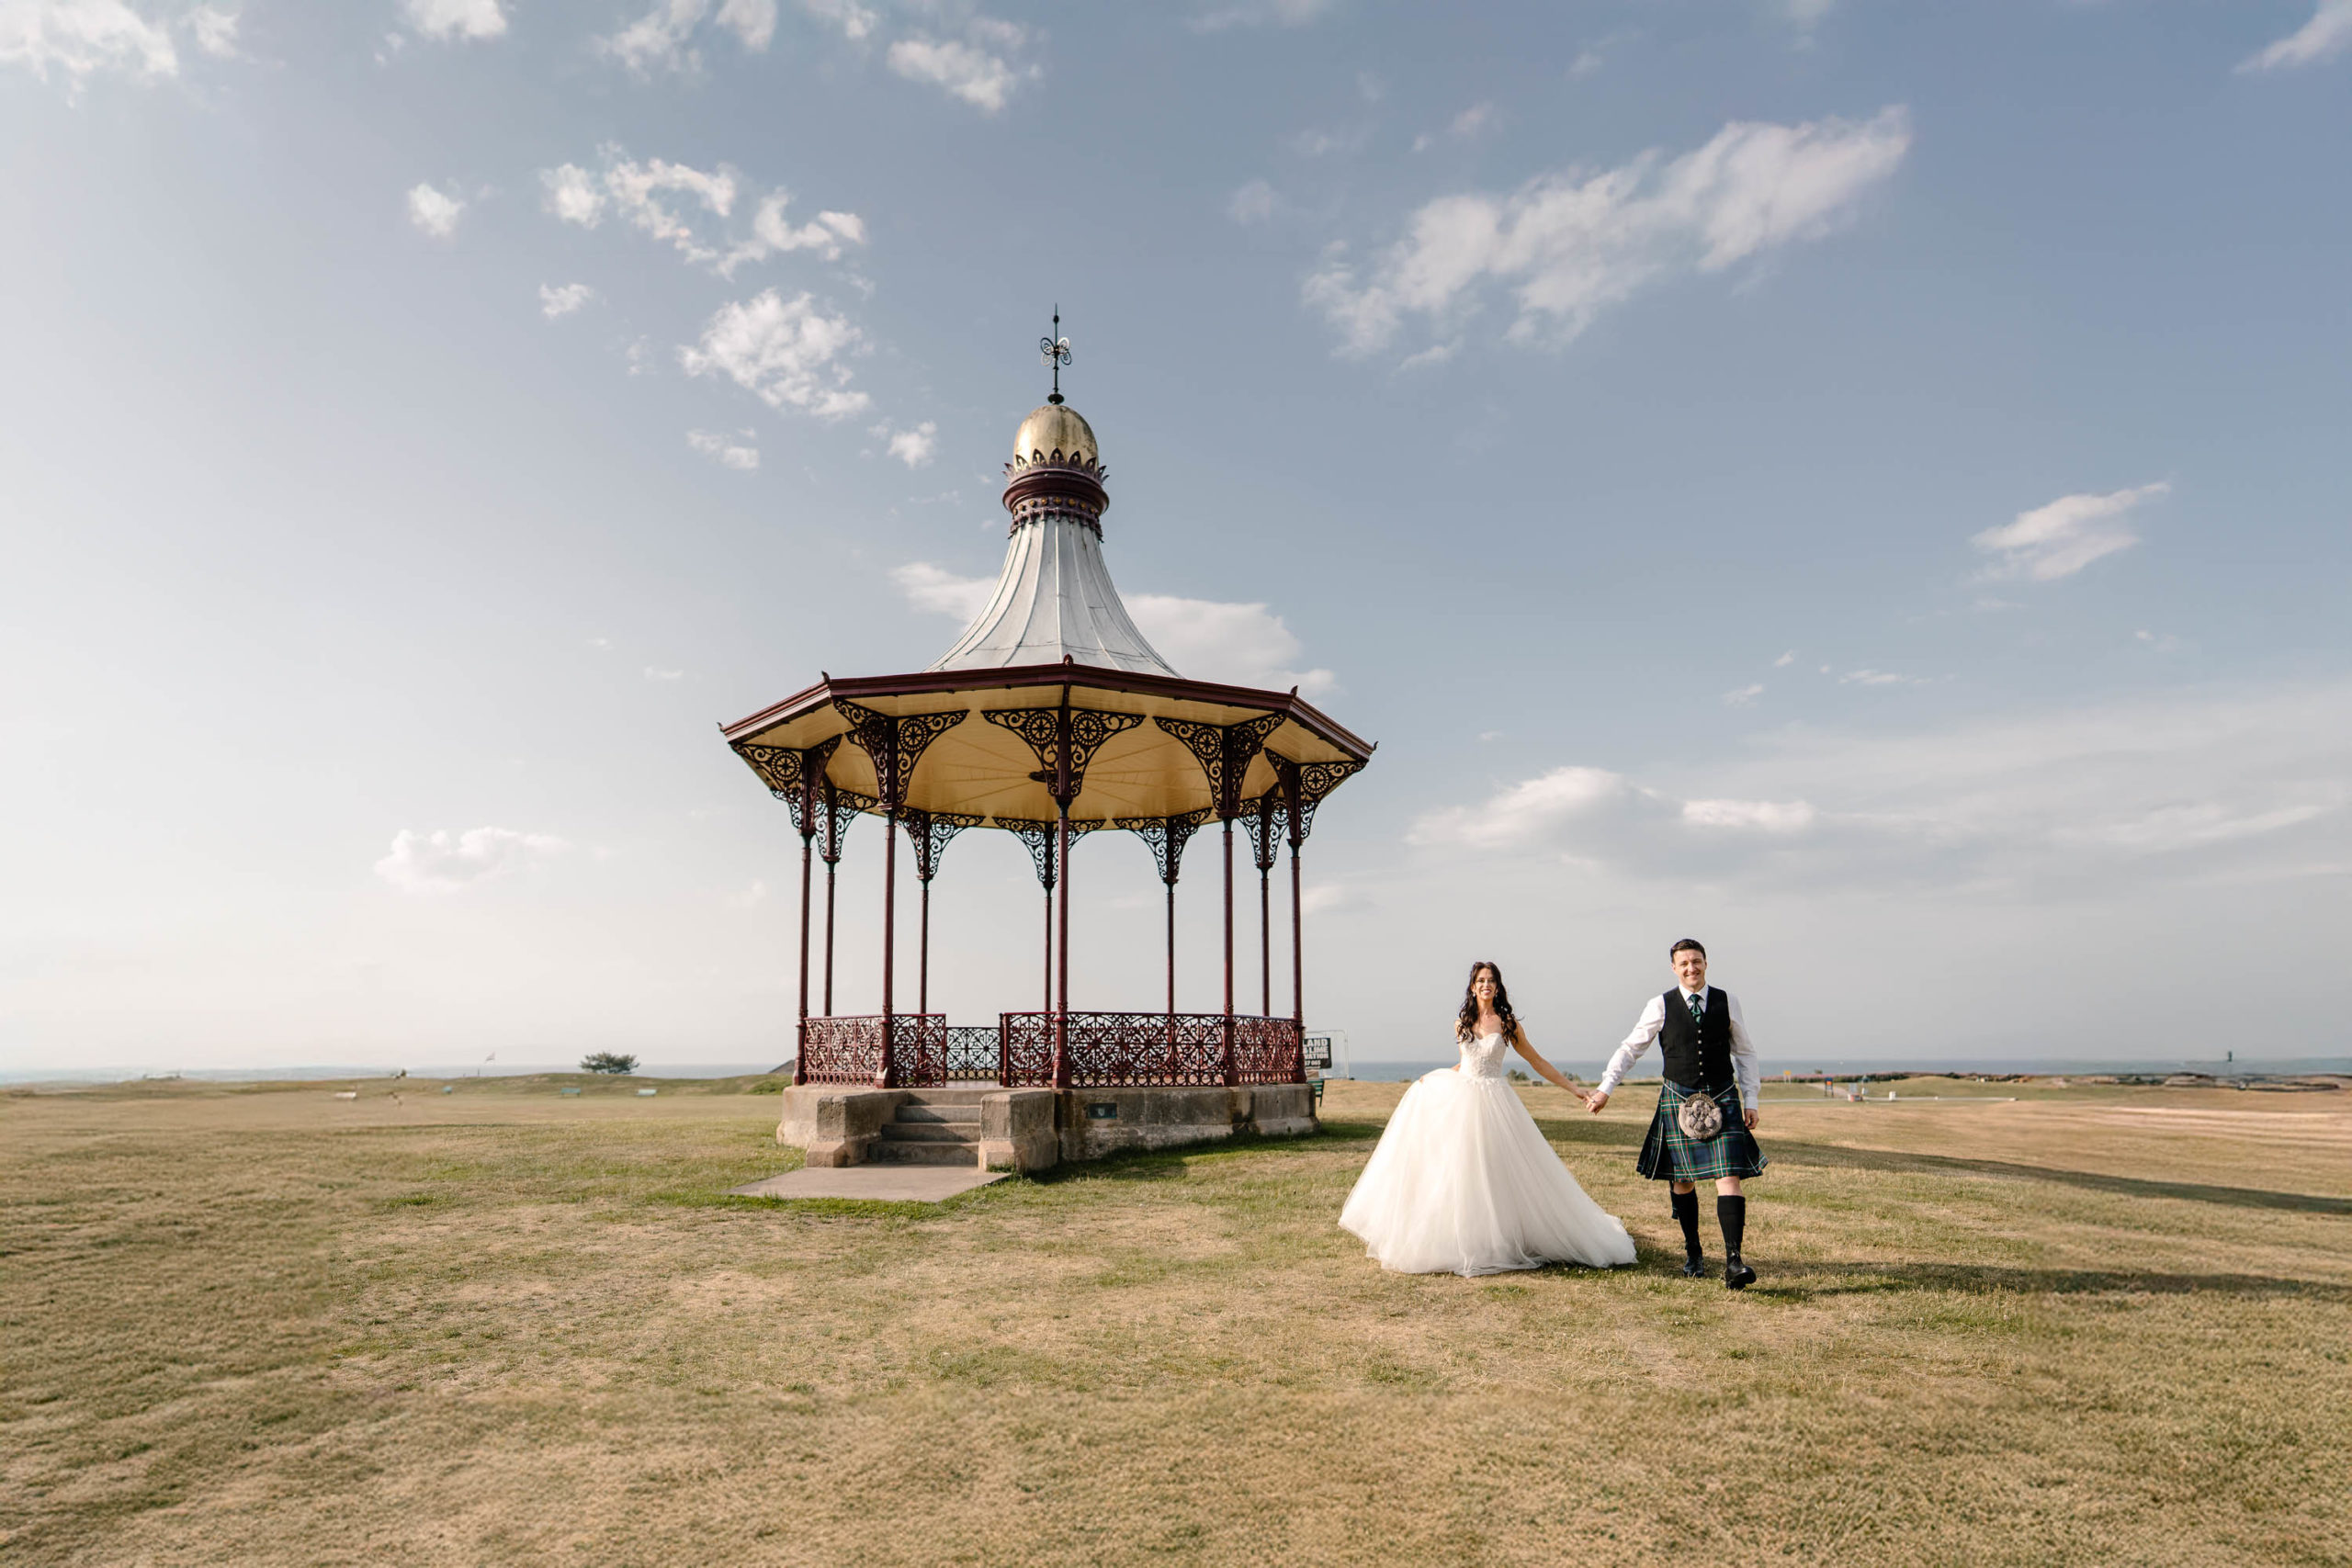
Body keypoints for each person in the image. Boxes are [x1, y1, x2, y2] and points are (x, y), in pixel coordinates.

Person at [1339, 962, 1636, 1276]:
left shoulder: (1507, 1023)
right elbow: (1465, 1063)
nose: (1486, 985)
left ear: (1497, 987)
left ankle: (1502, 1237)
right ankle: (1461, 1238)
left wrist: (1574, 1089)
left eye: (1491, 980)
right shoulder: (1461, 1023)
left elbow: (1535, 1061)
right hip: (1462, 1101)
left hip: (1495, 1102)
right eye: (1480, 980)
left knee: (1497, 1169)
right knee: (1458, 1170)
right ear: (1472, 987)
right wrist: (1432, 1079)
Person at [1586, 939, 1768, 1289]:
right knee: (1682, 1181)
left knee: (1729, 1176)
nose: (1691, 968)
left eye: (1696, 962)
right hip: (1678, 1097)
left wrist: (1752, 1099)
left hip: (1723, 1096)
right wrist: (1606, 1088)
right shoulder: (1660, 1005)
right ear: (1674, 967)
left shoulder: (1727, 1001)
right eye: (1684, 963)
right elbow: (1631, 1048)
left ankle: (1734, 1261)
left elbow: (1745, 1053)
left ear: (1706, 963)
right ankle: (1693, 1252)